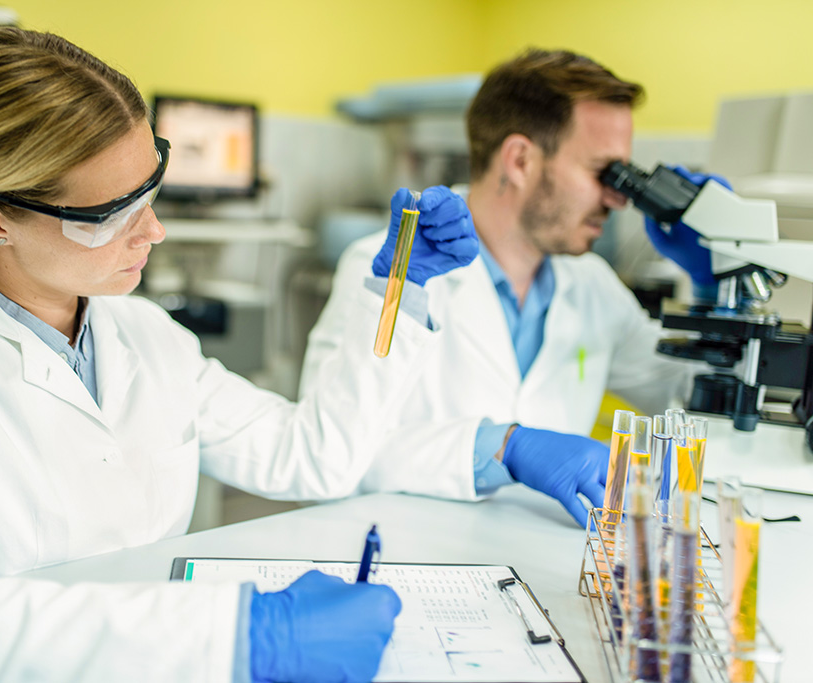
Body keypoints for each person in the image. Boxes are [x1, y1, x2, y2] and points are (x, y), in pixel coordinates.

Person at [0, 28, 478, 683]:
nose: (151, 230)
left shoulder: (150, 336)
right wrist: (232, 637)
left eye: (149, 192)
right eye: (109, 214)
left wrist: (399, 287)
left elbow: (315, 453)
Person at [301, 48, 724, 528]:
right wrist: (503, 448)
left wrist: (715, 285)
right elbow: (325, 451)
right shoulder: (393, 267)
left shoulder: (591, 285)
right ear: (520, 160)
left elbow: (688, 395)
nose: (617, 199)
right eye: (603, 173)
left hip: (537, 571)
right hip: (409, 563)